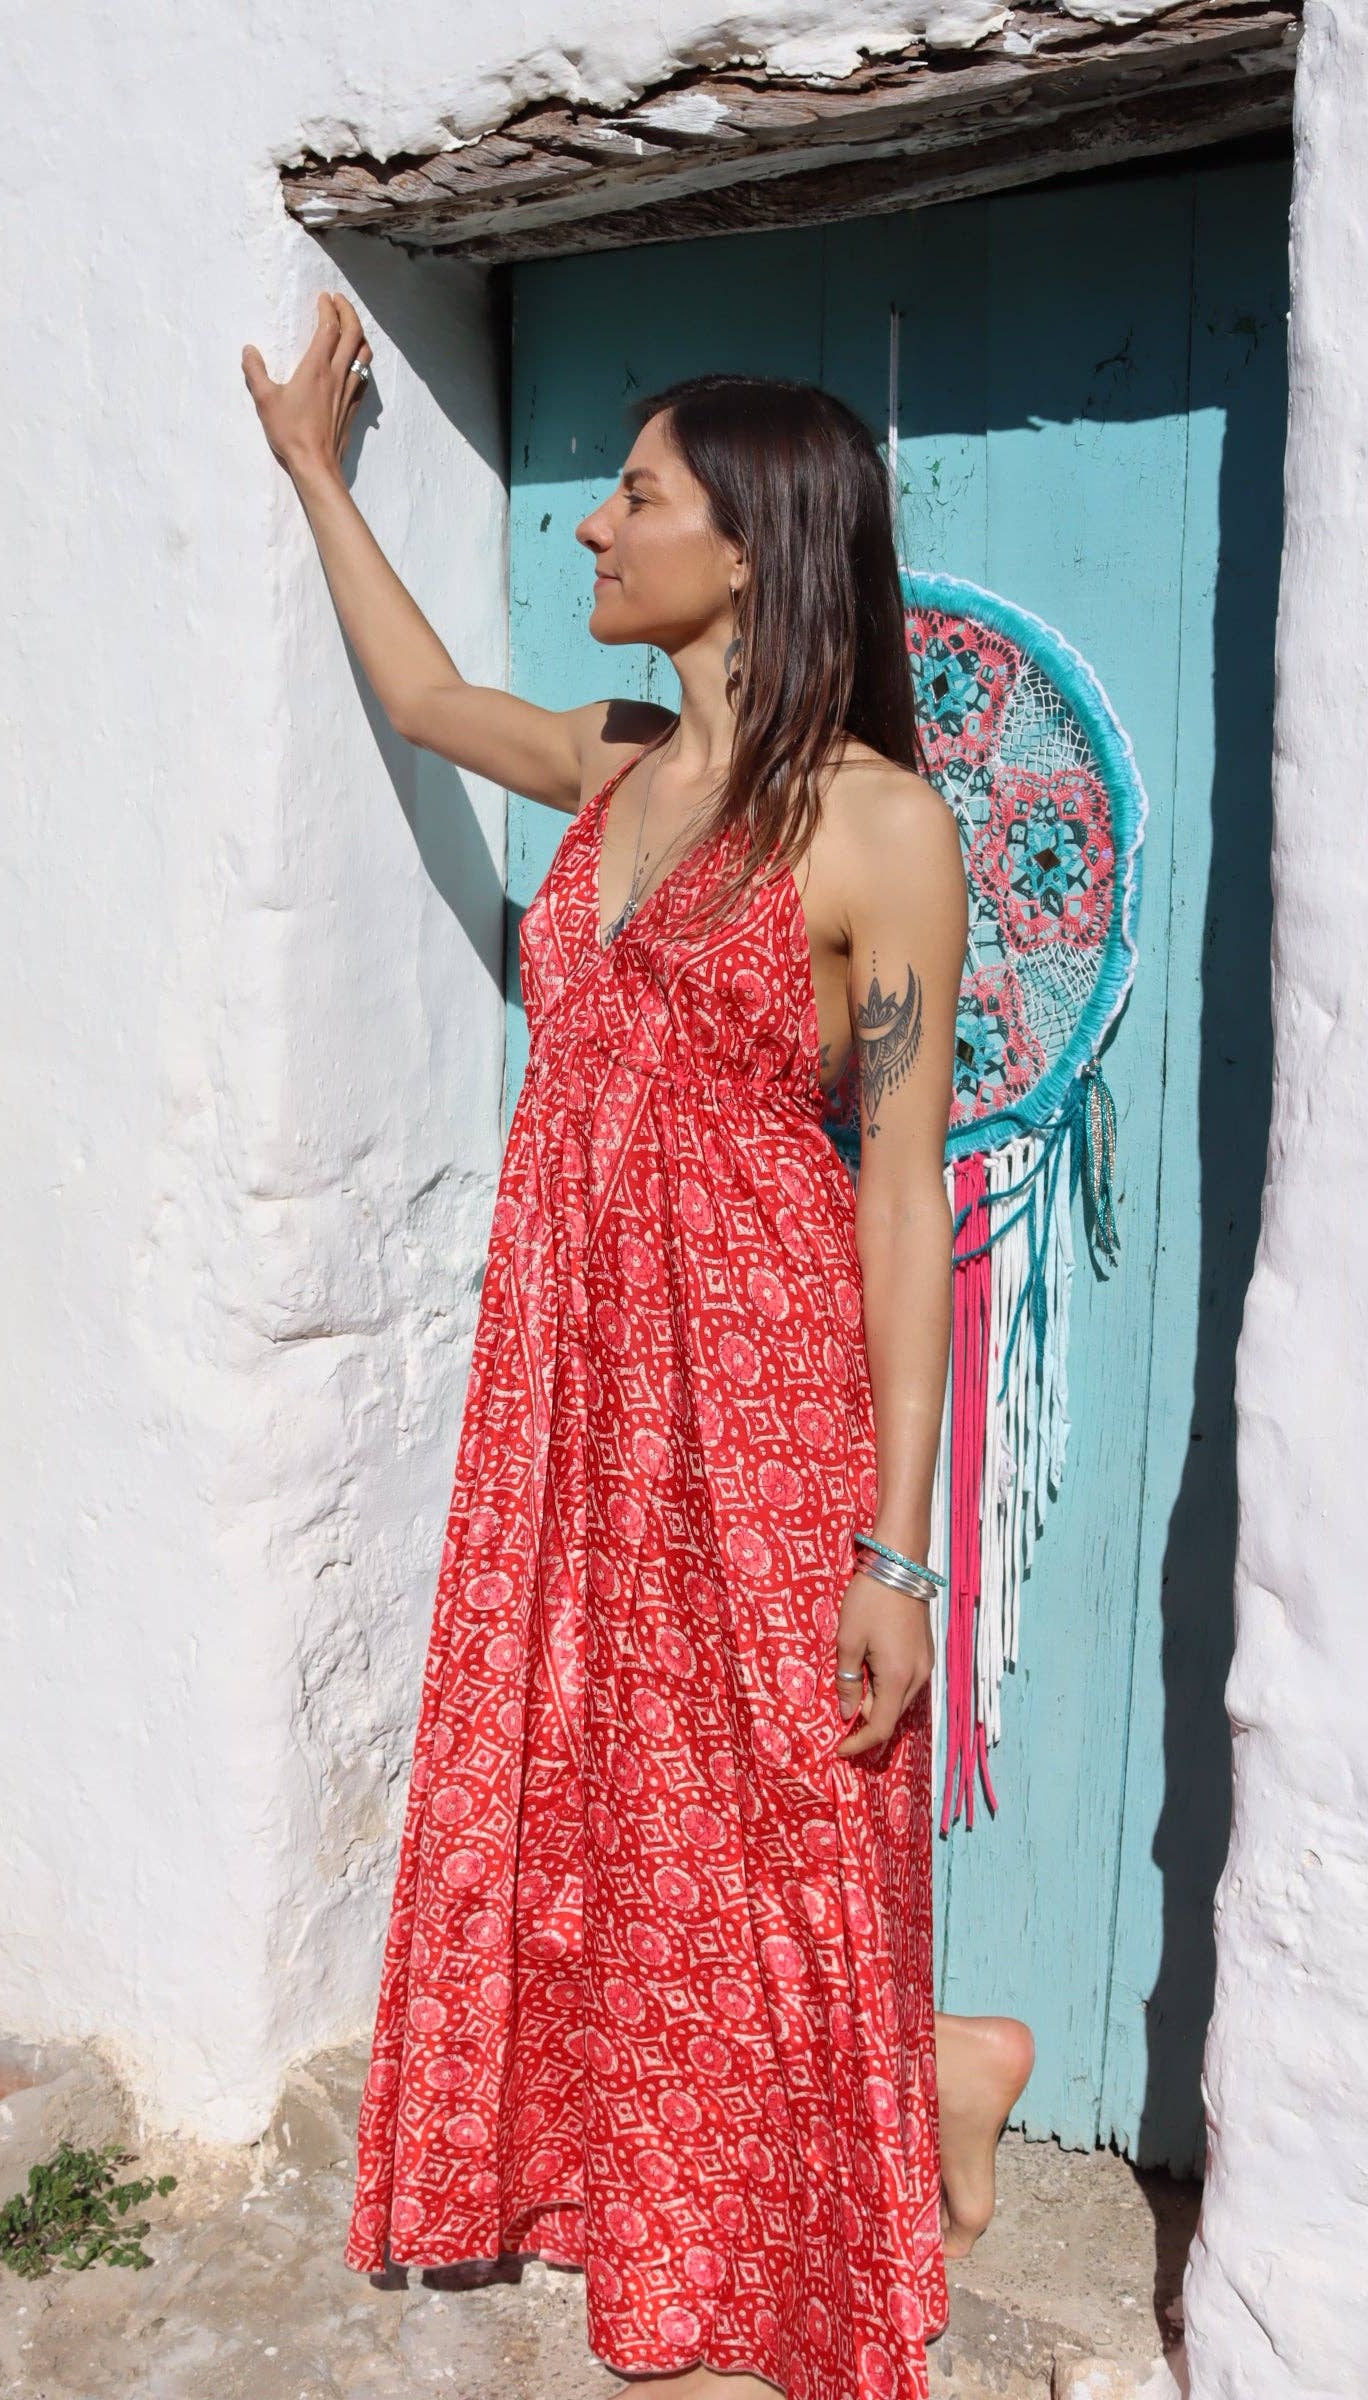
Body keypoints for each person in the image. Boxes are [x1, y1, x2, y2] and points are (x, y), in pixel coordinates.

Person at [242, 292, 1034, 2400]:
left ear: (751, 549)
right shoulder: (609, 768)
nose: (594, 528)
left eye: (638, 496)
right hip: (579, 1385)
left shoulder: (878, 825)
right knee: (629, 1807)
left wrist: (897, 1552)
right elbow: (429, 699)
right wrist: (315, 471)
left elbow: (898, 1196)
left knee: (792, 1809)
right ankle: (926, 2076)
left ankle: (887, 2129)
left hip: (760, 1389)